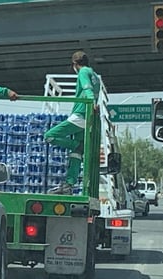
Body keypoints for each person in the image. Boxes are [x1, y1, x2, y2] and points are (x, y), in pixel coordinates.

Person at [44, 51, 100, 195]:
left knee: (49, 136)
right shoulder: (95, 76)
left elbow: (87, 89)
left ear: (75, 64)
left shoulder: (83, 72)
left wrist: (91, 103)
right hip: (88, 118)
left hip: (80, 115)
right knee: (76, 154)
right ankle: (69, 184)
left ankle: (77, 145)